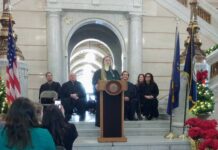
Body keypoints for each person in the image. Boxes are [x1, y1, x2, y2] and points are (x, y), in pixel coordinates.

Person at [92, 56, 120, 127]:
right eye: (106, 60)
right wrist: (96, 85)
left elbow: (119, 82)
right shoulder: (98, 72)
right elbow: (95, 82)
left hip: (114, 96)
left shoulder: (115, 72)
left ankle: (113, 123)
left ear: (111, 62)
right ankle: (100, 123)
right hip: (102, 95)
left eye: (109, 60)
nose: (108, 62)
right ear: (103, 62)